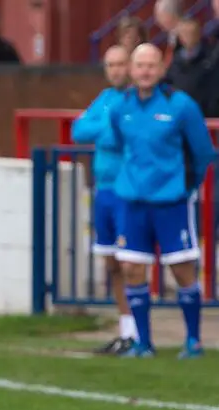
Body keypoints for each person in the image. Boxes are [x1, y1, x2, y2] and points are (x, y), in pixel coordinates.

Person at [108, 44, 215, 358]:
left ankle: (193, 340)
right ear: (131, 68)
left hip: (171, 201)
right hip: (132, 201)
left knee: (182, 269)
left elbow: (203, 151)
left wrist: (186, 186)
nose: (145, 71)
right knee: (130, 267)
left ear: (161, 68)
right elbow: (117, 143)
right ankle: (144, 343)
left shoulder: (181, 106)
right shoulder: (120, 108)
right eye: (140, 65)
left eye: (151, 65)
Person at [71, 45, 136, 355]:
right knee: (111, 263)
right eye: (110, 65)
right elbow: (79, 130)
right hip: (104, 190)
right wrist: (108, 127)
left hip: (128, 190)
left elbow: (120, 136)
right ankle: (126, 329)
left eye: (121, 64)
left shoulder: (138, 100)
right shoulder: (106, 98)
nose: (115, 70)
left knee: (131, 261)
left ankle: (139, 330)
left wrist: (106, 130)